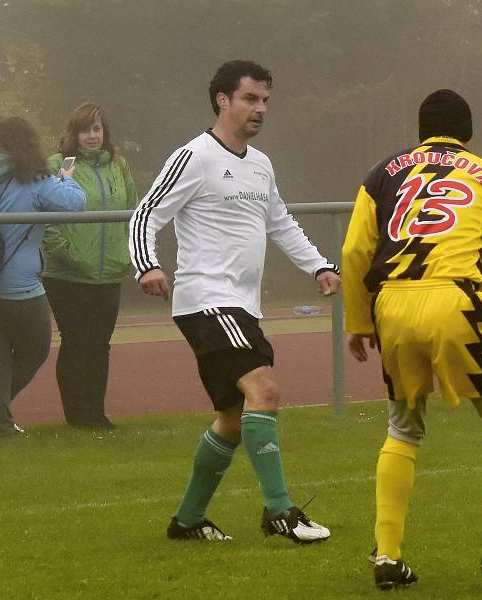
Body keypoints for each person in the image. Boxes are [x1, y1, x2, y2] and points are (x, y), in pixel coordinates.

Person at [129, 60, 340, 544]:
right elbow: (145, 214)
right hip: (207, 300)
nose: (260, 109)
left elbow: (281, 222)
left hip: (241, 306)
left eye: (265, 100)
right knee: (264, 392)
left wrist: (319, 265)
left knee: (231, 418)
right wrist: (148, 265)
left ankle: (187, 521)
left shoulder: (260, 164)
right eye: (250, 99)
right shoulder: (194, 156)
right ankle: (280, 511)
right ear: (223, 100)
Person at [343, 89, 482, 589]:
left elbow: (356, 249)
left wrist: (358, 322)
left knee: (403, 427)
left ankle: (387, 555)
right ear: (467, 130)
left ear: (422, 130)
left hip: (392, 303)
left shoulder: (382, 173)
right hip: (455, 300)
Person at [0, 116, 86, 437]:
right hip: (20, 288)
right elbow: (75, 204)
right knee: (35, 349)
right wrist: (66, 178)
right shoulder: (36, 181)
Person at [42, 102, 138, 429]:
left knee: (100, 345)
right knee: (76, 342)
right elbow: (47, 215)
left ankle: (96, 414)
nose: (91, 136)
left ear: (105, 132)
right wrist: (67, 253)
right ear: (73, 132)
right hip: (68, 275)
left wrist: (127, 256)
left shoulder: (119, 166)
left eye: (97, 129)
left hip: (109, 273)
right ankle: (77, 417)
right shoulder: (58, 164)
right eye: (85, 129)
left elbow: (132, 213)